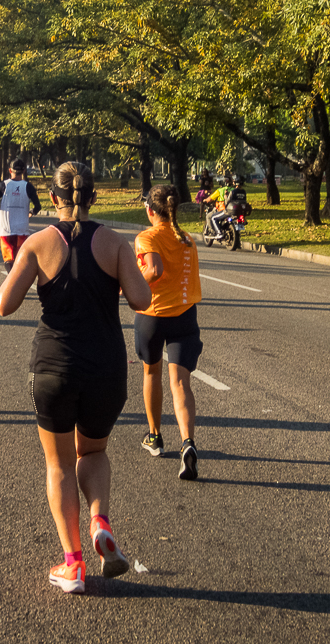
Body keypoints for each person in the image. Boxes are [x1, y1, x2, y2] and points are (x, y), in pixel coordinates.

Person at [0, 162, 152, 594]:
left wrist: (25, 268)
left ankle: (73, 564)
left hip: (54, 367)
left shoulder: (38, 242)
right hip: (105, 367)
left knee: (60, 462)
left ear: (52, 199)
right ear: (94, 198)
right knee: (94, 452)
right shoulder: (116, 243)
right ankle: (99, 520)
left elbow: (4, 305)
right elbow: (142, 299)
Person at [135, 184, 204, 480]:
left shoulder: (146, 237)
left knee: (152, 373)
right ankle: (187, 442)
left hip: (153, 315)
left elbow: (154, 269)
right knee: (181, 383)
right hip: (185, 316)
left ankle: (155, 437)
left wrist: (131, 282)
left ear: (151, 210)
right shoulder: (187, 239)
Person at [0, 158, 42, 273]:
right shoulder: (28, 187)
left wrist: (2, 211)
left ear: (10, 170)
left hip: (6, 228)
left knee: (9, 258)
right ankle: (18, 279)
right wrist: (31, 212)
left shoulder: (3, 185)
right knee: (20, 257)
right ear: (24, 171)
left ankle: (11, 277)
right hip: (22, 229)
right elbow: (38, 206)